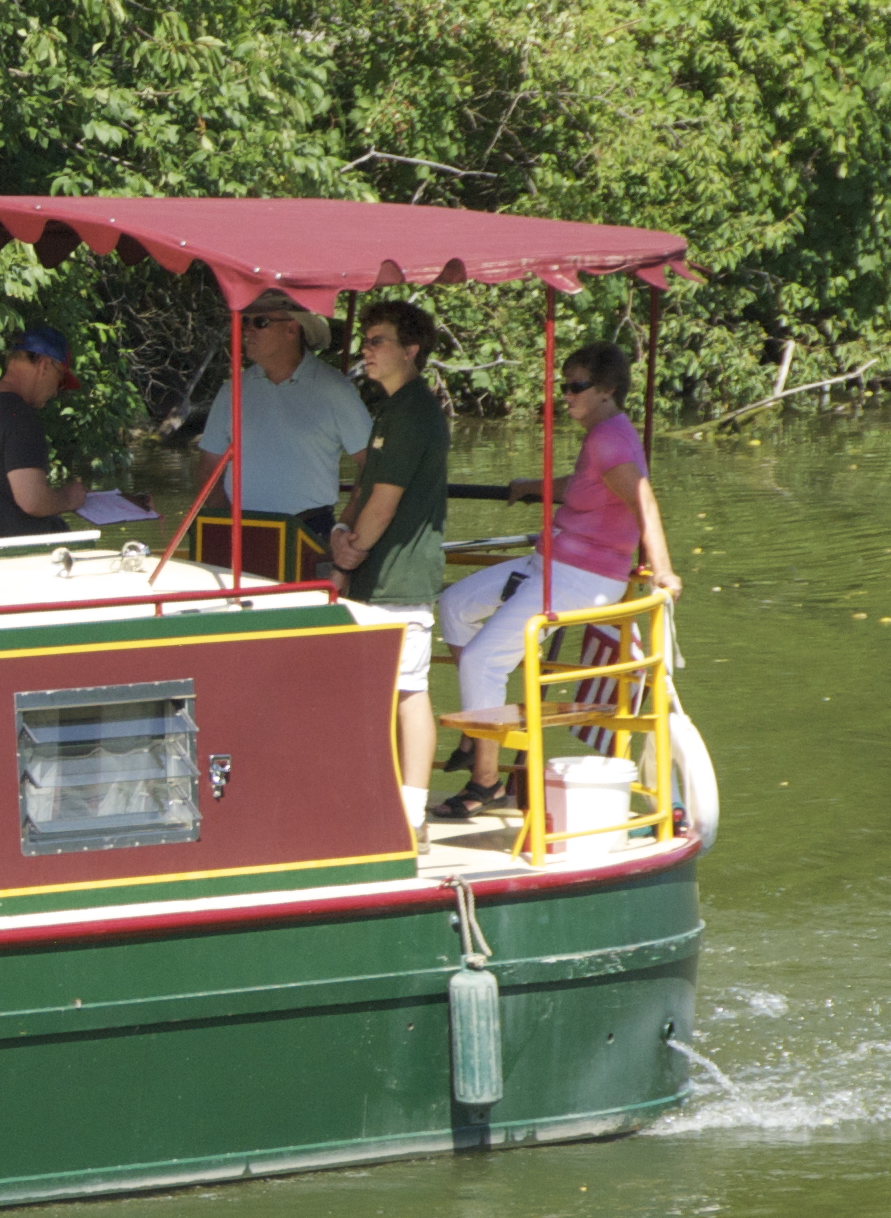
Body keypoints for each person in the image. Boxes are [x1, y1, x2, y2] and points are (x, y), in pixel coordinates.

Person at [433, 337, 686, 820]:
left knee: (484, 662)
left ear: (608, 390)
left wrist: (664, 568)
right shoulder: (606, 435)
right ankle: (477, 732)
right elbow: (590, 486)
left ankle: (485, 780)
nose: (565, 395)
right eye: (563, 385)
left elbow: (642, 500)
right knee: (455, 606)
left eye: (576, 386)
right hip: (551, 560)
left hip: (580, 575)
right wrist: (533, 488)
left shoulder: (609, 437)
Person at [325, 302, 450, 834]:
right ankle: (373, 796)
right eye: (366, 341)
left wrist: (351, 548)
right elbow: (366, 488)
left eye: (378, 341)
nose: (366, 351)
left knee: (408, 688)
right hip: (374, 572)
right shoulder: (390, 411)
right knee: (378, 687)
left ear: (411, 350)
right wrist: (341, 539)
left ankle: (412, 813)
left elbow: (387, 500)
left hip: (399, 574)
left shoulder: (414, 412)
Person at [195, 293, 373, 554]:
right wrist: (227, 523)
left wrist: (345, 524)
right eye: (245, 321)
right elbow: (208, 468)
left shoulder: (335, 389)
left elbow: (372, 463)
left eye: (260, 322)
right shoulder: (232, 390)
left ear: (291, 329)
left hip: (310, 533)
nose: (247, 330)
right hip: (240, 531)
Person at [0, 329, 91, 538]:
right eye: (60, 379)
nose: (56, 391)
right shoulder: (21, 417)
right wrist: (69, 499)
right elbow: (32, 501)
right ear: (45, 365)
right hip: (17, 553)